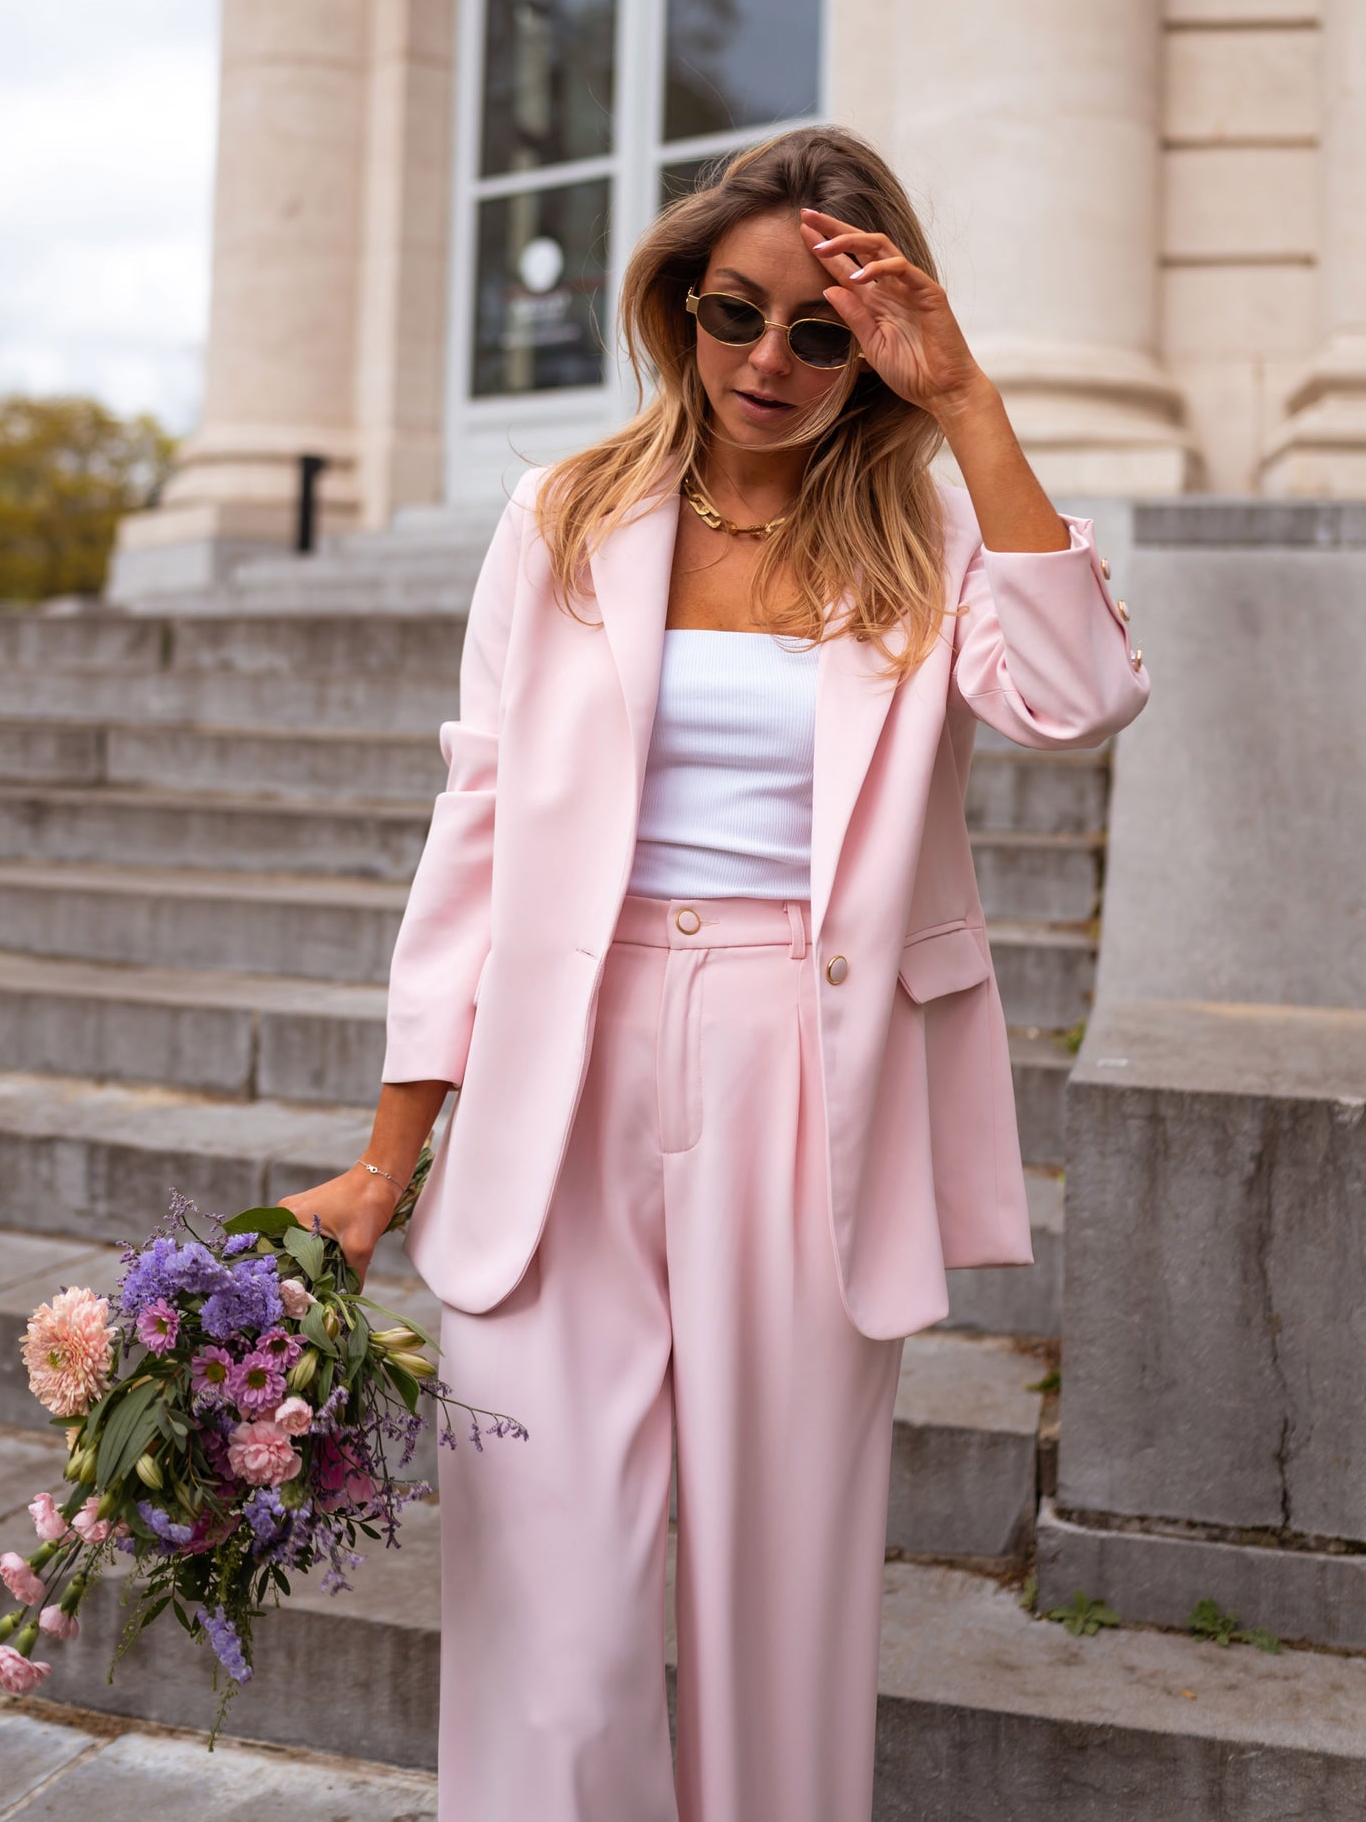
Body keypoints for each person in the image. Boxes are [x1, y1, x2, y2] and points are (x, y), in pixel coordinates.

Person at [281, 123, 1150, 1821]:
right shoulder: (561, 515)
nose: (769, 359)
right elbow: (474, 829)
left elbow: (1082, 695)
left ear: (873, 350)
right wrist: (391, 1155)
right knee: (552, 1618)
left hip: (802, 1076)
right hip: (566, 1067)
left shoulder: (931, 540)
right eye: (732, 310)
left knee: (784, 1604)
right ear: (675, 306)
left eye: (819, 332)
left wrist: (967, 405)